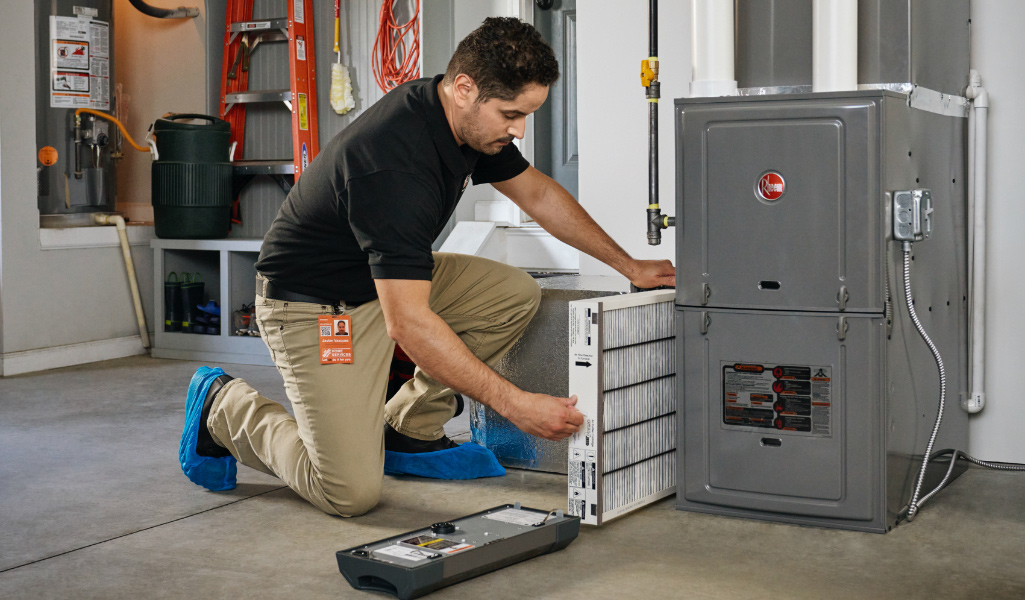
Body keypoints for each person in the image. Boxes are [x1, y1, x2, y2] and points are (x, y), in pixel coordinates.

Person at [179, 17, 675, 516]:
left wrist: (628, 264)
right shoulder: (394, 164)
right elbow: (409, 325)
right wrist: (516, 405)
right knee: (347, 492)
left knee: (511, 294)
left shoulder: (464, 125)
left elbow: (539, 193)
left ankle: (407, 428)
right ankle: (223, 406)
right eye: (510, 114)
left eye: (526, 114)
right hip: (314, 305)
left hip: (379, 280)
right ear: (465, 89)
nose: (519, 129)